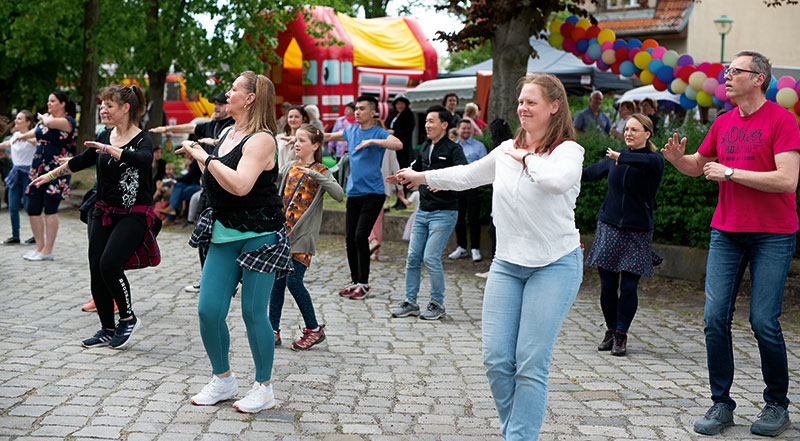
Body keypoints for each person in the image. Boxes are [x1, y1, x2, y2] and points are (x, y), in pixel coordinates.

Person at [394, 73, 584, 439]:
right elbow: (466, 176)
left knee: (530, 364)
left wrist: (525, 156)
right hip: (508, 265)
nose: (523, 108)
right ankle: (515, 429)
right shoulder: (507, 151)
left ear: (554, 107)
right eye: (521, 102)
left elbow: (556, 181)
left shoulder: (567, 152)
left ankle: (518, 436)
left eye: (532, 102)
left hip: (555, 265)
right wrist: (421, 177)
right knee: (497, 360)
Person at [662, 51, 800, 438]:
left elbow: (787, 180)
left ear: (758, 79)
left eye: (734, 71)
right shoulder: (722, 122)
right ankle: (721, 404)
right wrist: (677, 159)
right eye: (726, 71)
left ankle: (777, 405)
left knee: (763, 321)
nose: (726, 76)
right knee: (713, 318)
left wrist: (732, 173)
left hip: (773, 233)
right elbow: (698, 165)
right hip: (727, 231)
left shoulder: (782, 119)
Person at [180, 71, 292, 414]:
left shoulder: (262, 139)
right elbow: (216, 181)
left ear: (250, 98)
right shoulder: (228, 132)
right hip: (224, 232)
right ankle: (223, 379)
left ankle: (264, 387)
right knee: (208, 310)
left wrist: (204, 158)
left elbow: (242, 185)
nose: (226, 94)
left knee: (253, 313)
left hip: (260, 235)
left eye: (232, 89)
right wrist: (203, 157)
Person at [31, 84, 159, 349]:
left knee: (110, 264)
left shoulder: (141, 138)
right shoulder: (104, 134)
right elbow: (80, 160)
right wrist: (50, 174)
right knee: (96, 268)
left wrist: (112, 150)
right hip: (102, 210)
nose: (103, 109)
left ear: (126, 108)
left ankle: (128, 317)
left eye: (109, 105)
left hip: (134, 212)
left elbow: (144, 160)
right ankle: (106, 328)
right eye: (102, 104)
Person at [582, 113, 664, 357]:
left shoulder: (654, 160)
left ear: (647, 134)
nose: (628, 133)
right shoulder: (613, 158)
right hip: (609, 226)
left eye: (634, 130)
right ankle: (610, 329)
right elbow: (587, 174)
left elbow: (645, 163)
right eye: (626, 129)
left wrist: (621, 157)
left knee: (628, 288)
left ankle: (621, 333)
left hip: (638, 230)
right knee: (607, 286)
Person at [389, 105, 467, 320]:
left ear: (444, 124)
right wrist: (402, 178)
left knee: (431, 258)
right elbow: (414, 170)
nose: (427, 125)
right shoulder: (424, 147)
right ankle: (411, 302)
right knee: (413, 257)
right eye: (426, 121)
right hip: (423, 212)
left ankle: (437, 304)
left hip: (444, 213)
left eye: (432, 121)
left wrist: (443, 183)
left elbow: (463, 175)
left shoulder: (454, 150)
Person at [270, 123, 343, 350]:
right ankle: (272, 330)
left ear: (315, 145)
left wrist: (312, 173)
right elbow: (271, 178)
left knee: (294, 281)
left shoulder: (321, 171)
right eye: (296, 139)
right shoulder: (290, 166)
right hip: (283, 236)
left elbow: (339, 194)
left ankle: (313, 329)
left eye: (302, 140)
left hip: (303, 239)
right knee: (277, 283)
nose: (297, 143)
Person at [324, 96, 402, 300]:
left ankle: (364, 283)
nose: (357, 112)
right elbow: (330, 136)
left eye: (362, 109)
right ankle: (355, 281)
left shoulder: (378, 132)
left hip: (374, 194)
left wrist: (373, 141)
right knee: (350, 238)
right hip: (354, 193)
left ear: (373, 112)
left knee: (360, 236)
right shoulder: (351, 131)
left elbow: (398, 144)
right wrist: (308, 135)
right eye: (356, 108)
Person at [20, 92, 78, 261]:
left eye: (52, 101)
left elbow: (48, 123)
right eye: (48, 100)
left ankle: (48, 250)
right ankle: (39, 247)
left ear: (63, 104)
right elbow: (37, 130)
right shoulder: (45, 119)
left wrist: (42, 118)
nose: (49, 103)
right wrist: (22, 136)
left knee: (50, 209)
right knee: (32, 208)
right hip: (37, 168)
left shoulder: (68, 121)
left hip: (57, 170)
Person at [447, 118, 488, 262]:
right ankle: (461, 247)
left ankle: (475, 248)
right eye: (463, 128)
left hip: (472, 186)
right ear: (457, 130)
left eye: (468, 128)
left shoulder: (479, 146)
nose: (466, 131)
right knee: (458, 217)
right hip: (456, 186)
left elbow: (484, 166)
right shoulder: (451, 147)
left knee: (473, 218)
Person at [0, 111, 36, 245]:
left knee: (28, 206)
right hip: (15, 174)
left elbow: (34, 142)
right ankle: (15, 236)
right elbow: (7, 144)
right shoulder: (15, 135)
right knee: (13, 207)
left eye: (20, 119)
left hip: (29, 175)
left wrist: (25, 137)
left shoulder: (33, 135)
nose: (16, 120)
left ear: (27, 122)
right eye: (16, 118)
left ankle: (35, 235)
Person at [385, 95, 415, 169]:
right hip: (390, 141)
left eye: (402, 104)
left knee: (401, 163)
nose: (400, 106)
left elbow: (409, 130)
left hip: (403, 143)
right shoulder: (393, 113)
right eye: (398, 104)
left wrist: (395, 132)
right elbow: (386, 124)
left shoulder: (409, 115)